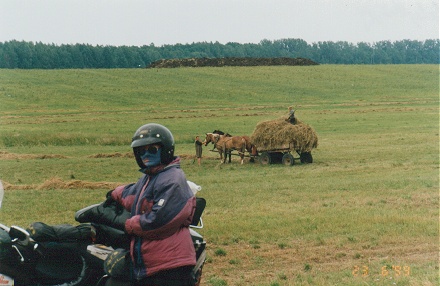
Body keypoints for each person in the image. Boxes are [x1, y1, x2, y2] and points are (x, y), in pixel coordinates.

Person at [107, 123, 196, 285]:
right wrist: (115, 193)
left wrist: (129, 224)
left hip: (170, 267)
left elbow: (159, 220)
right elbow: (133, 195)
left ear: (166, 149)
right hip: (156, 263)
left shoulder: (172, 179)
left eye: (152, 149)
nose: (146, 154)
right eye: (141, 151)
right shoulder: (151, 177)